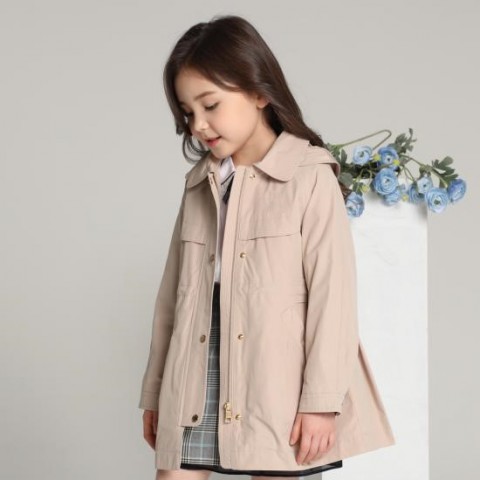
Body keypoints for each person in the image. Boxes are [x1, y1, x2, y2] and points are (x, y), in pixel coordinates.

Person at [138, 14, 395, 480]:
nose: (198, 125)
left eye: (210, 105)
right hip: (194, 363)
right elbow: (171, 300)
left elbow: (333, 299)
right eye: (188, 112)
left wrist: (321, 402)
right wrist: (156, 392)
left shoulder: (310, 177)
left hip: (277, 371)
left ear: (258, 92)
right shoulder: (198, 186)